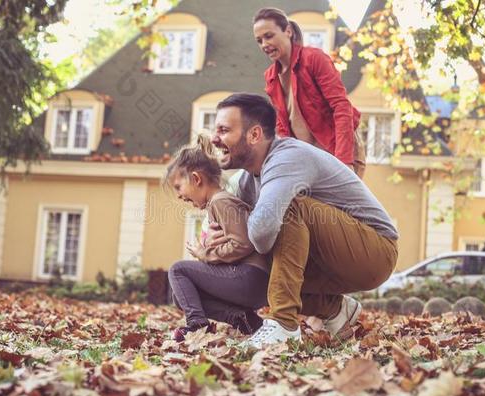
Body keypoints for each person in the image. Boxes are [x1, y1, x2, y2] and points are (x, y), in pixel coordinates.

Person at [209, 93, 398, 349]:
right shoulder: (246, 181)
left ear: (254, 135)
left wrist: (239, 238)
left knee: (286, 208)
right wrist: (215, 245)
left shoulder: (287, 158)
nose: (214, 138)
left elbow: (262, 234)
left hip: (375, 251)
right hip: (332, 260)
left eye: (223, 130)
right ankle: (335, 309)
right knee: (256, 271)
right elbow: (231, 238)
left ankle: (283, 325)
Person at [165, 136, 269, 342]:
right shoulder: (217, 204)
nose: (179, 196)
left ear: (196, 179)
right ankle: (244, 319)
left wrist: (207, 254)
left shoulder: (221, 202)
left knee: (178, 270)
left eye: (178, 187)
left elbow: (243, 243)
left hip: (251, 278)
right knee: (182, 295)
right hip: (247, 280)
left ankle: (196, 325)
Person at [253, 7, 366, 177]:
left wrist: (344, 162)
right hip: (308, 159)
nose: (264, 44)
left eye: (269, 36)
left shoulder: (313, 59)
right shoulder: (271, 77)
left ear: (288, 31)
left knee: (340, 205)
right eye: (259, 40)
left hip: (339, 151)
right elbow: (282, 128)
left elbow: (341, 107)